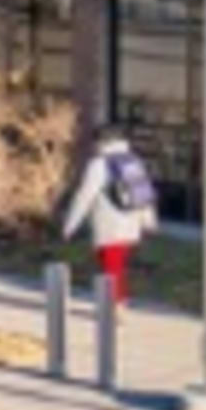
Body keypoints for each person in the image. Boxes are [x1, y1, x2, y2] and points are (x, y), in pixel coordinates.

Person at [59, 123, 159, 305]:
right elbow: (143, 195)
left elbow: (84, 197)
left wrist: (70, 225)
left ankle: (115, 307)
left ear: (102, 142)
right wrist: (149, 221)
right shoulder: (133, 161)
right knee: (116, 267)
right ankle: (117, 304)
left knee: (110, 268)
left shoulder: (98, 165)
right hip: (130, 224)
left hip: (108, 224)